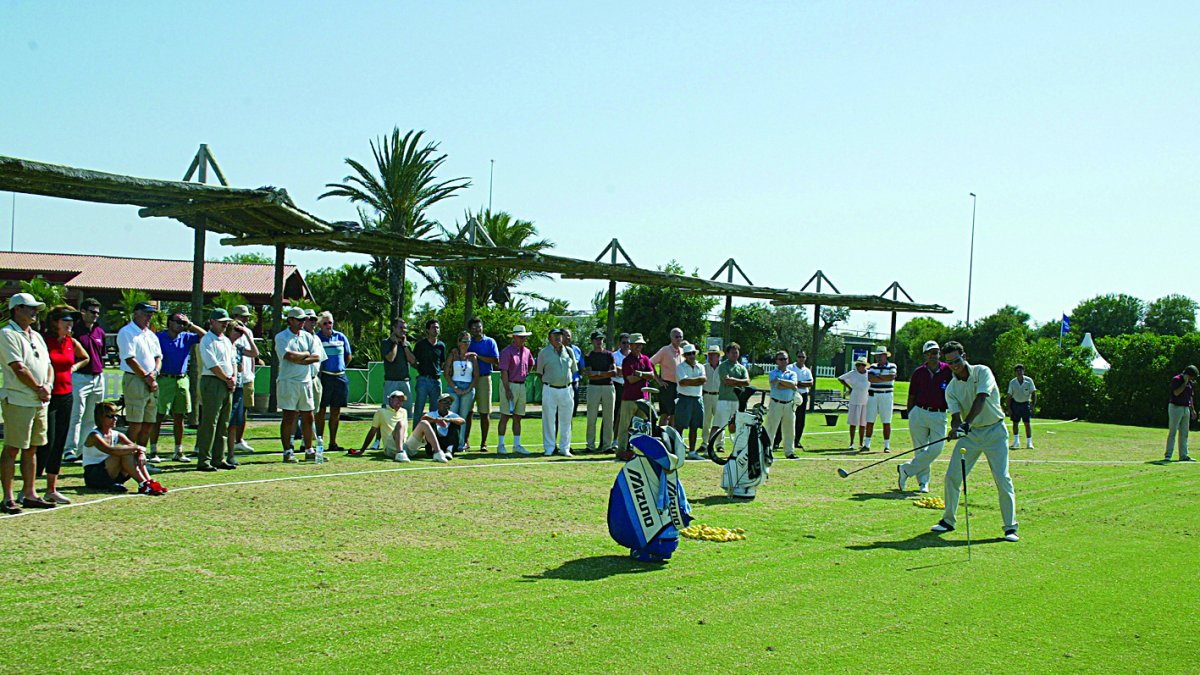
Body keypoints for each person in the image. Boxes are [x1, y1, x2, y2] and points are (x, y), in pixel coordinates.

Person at [930, 341, 1019, 543]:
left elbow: (981, 398)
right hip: (971, 436)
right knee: (952, 476)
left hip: (995, 431)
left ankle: (1010, 527)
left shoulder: (982, 372)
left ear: (965, 356)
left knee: (1002, 478)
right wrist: (956, 428)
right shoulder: (951, 388)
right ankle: (948, 520)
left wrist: (966, 424)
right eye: (950, 362)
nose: (954, 365)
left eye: (957, 360)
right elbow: (954, 415)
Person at [1, 293, 56, 513]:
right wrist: (38, 388)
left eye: (35, 308)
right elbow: (18, 367)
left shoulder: (36, 336)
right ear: (17, 309)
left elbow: (48, 365)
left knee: (32, 448)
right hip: (18, 398)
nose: (34, 312)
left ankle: (30, 493)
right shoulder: (7, 334)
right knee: (13, 447)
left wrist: (47, 386)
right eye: (29, 308)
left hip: (39, 400)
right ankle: (7, 497)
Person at [37, 305, 90, 504]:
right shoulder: (44, 341)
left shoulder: (71, 341)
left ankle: (51, 489)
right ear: (55, 322)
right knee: (45, 442)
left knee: (59, 441)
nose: (70, 324)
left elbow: (85, 358)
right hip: (47, 397)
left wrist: (73, 368)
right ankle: (31, 487)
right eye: (65, 321)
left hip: (66, 395)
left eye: (71, 321)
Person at [149, 312, 205, 463]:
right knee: (158, 416)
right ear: (169, 322)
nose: (181, 325)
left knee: (179, 417)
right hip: (164, 379)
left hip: (181, 379)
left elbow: (206, 336)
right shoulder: (159, 337)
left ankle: (178, 451)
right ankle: (153, 451)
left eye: (183, 323)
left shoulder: (186, 337)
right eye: (178, 322)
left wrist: (190, 325)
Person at [898, 340, 953, 493]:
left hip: (939, 414)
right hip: (919, 412)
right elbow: (911, 396)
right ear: (925, 355)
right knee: (920, 449)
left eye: (935, 352)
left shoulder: (948, 371)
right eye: (930, 352)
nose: (933, 355)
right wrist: (911, 414)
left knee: (936, 449)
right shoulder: (918, 372)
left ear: (939, 354)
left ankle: (906, 470)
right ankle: (923, 483)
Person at [83, 401, 166, 495]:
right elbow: (111, 450)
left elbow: (135, 448)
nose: (115, 419)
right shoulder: (94, 436)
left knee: (131, 451)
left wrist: (141, 453)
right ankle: (143, 484)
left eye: (116, 416)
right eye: (110, 416)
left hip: (112, 473)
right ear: (101, 418)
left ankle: (149, 482)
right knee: (126, 451)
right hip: (94, 476)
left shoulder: (117, 434)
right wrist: (138, 447)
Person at [275, 307, 322, 463]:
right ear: (290, 320)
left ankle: (309, 450)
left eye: (304, 320)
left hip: (306, 382)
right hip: (288, 382)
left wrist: (301, 358)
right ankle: (288, 451)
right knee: (289, 417)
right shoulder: (281, 337)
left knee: (308, 416)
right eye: (299, 320)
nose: (303, 322)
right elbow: (288, 356)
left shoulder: (308, 337)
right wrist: (305, 355)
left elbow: (316, 357)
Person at [195, 309, 238, 472]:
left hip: (227, 382)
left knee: (224, 423)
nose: (224, 324)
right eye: (221, 321)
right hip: (213, 381)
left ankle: (219, 457)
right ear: (212, 321)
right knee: (210, 422)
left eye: (226, 321)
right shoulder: (207, 340)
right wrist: (227, 379)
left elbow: (233, 361)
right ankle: (204, 460)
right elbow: (212, 364)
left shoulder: (226, 341)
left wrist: (233, 377)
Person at [64, 297, 105, 463]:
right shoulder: (74, 331)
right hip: (79, 377)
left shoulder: (99, 331)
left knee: (91, 417)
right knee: (76, 415)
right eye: (92, 312)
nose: (95, 315)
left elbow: (101, 356)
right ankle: (69, 450)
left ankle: (83, 449)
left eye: (97, 313)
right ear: (83, 312)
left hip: (97, 377)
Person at [117, 301, 163, 448]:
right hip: (135, 379)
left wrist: (154, 373)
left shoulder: (151, 335)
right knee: (135, 423)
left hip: (152, 380)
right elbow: (130, 359)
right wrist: (146, 377)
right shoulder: (127, 332)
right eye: (145, 313)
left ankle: (141, 457)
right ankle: (128, 458)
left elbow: (158, 357)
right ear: (135, 313)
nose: (149, 317)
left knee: (148, 423)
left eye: (150, 314)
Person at [315, 311, 352, 452]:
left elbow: (348, 356)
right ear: (320, 325)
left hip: (340, 377)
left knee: (336, 411)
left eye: (330, 322)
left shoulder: (341, 337)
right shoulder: (316, 338)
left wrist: (340, 368)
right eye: (325, 323)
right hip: (325, 377)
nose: (328, 325)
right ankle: (319, 441)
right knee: (321, 410)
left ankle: (333, 442)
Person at [537, 328, 578, 457]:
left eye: (559, 336)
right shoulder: (544, 353)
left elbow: (574, 370)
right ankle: (549, 447)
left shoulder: (569, 351)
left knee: (566, 420)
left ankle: (565, 448)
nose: (558, 338)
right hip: (550, 389)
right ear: (549, 338)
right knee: (549, 420)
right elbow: (539, 373)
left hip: (567, 389)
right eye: (555, 336)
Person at [225, 318, 259, 466]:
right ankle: (216, 453)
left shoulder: (238, 347)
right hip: (225, 386)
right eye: (236, 330)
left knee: (234, 422)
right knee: (222, 421)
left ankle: (231, 455)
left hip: (238, 386)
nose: (239, 333)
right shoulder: (223, 344)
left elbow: (254, 353)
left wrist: (247, 335)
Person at [497, 325, 534, 456]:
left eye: (524, 336)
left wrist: (525, 375)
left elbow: (531, 364)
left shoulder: (527, 351)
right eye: (520, 336)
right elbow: (504, 372)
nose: (522, 339)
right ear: (514, 337)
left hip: (521, 385)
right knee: (505, 416)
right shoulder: (506, 352)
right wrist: (507, 389)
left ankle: (516, 445)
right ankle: (501, 444)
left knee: (518, 416)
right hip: (509, 384)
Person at [708, 342, 750, 452]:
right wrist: (740, 382)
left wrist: (734, 381)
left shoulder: (741, 368)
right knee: (718, 425)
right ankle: (713, 446)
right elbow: (726, 380)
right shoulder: (723, 366)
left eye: (736, 352)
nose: (735, 355)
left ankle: (739, 447)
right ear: (727, 354)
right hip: (724, 400)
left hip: (738, 401)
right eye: (732, 352)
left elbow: (747, 382)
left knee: (738, 426)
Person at [618, 333, 656, 455]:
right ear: (631, 345)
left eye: (641, 344)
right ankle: (622, 450)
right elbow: (630, 379)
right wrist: (644, 375)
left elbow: (652, 375)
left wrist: (639, 373)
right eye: (637, 344)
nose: (639, 346)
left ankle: (640, 450)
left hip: (643, 399)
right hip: (629, 398)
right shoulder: (626, 361)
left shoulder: (645, 359)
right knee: (624, 426)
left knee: (642, 427)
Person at [466, 317, 499, 452]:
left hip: (484, 379)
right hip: (469, 379)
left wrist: (478, 357)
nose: (477, 330)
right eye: (474, 328)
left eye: (479, 327)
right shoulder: (468, 342)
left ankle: (483, 443)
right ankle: (465, 441)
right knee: (468, 412)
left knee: (484, 413)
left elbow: (496, 360)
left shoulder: (490, 342)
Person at [583, 331, 617, 453]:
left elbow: (613, 373)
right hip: (593, 388)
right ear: (592, 341)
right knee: (591, 417)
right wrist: (603, 374)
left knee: (609, 418)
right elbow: (590, 376)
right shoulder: (588, 356)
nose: (599, 341)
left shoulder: (609, 355)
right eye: (597, 339)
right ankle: (590, 445)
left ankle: (607, 446)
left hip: (608, 387)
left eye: (601, 339)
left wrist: (597, 373)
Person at [445, 331, 479, 449]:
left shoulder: (472, 357)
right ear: (459, 342)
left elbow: (476, 375)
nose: (466, 344)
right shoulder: (453, 355)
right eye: (464, 341)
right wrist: (455, 387)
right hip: (454, 387)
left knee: (463, 417)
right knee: (452, 415)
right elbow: (446, 373)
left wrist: (468, 389)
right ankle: (450, 442)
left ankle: (460, 443)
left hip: (468, 388)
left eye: (468, 341)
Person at [765, 350, 800, 460]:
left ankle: (789, 452)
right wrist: (788, 384)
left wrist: (780, 381)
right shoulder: (772, 373)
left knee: (789, 429)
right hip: (776, 404)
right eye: (781, 359)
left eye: (785, 359)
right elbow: (777, 386)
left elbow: (794, 385)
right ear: (776, 361)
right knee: (770, 429)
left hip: (789, 404)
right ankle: (767, 451)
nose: (784, 361)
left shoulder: (792, 373)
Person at [356, 390, 411, 461]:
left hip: (405, 446)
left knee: (424, 423)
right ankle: (400, 453)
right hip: (390, 448)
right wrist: (362, 450)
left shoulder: (404, 411)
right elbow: (373, 431)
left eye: (401, 401)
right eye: (397, 400)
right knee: (400, 423)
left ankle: (429, 452)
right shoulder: (381, 412)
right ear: (391, 400)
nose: (399, 403)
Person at [674, 342, 707, 460]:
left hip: (697, 399)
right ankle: (676, 451)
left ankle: (692, 452)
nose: (691, 356)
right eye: (688, 354)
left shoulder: (701, 366)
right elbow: (683, 382)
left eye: (693, 353)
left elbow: (703, 380)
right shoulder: (680, 367)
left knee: (695, 426)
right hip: (684, 399)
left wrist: (690, 381)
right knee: (680, 426)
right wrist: (697, 381)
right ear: (685, 356)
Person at [863, 347, 897, 452]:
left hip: (886, 395)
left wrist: (877, 377)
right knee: (870, 420)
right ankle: (867, 444)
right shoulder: (873, 366)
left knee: (886, 420)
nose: (878, 357)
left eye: (880, 355)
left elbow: (891, 377)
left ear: (885, 356)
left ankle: (887, 446)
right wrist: (883, 377)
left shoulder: (892, 366)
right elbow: (870, 378)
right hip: (873, 395)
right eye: (877, 356)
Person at [649, 327, 685, 428]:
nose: (678, 339)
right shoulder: (665, 350)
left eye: (680, 337)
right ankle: (661, 437)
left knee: (675, 414)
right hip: (667, 386)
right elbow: (650, 363)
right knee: (665, 414)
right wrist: (658, 380)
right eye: (676, 337)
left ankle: (671, 438)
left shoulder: (683, 352)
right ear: (671, 338)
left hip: (679, 387)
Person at [412, 319, 445, 422]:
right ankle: (416, 436)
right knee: (419, 409)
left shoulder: (441, 345)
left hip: (436, 381)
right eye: (433, 327)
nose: (436, 330)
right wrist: (421, 370)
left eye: (437, 327)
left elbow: (442, 363)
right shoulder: (420, 345)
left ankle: (431, 435)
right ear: (428, 330)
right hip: (423, 380)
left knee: (435, 411)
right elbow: (414, 361)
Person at [381, 318, 415, 415]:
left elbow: (412, 361)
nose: (403, 330)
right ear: (394, 328)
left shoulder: (407, 344)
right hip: (391, 382)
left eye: (405, 328)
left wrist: (404, 345)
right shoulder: (386, 343)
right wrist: (395, 343)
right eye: (400, 328)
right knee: (387, 411)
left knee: (407, 411)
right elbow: (390, 358)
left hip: (405, 381)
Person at [1165, 365, 1198, 462]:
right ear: (1188, 375)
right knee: (1173, 432)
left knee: (1184, 433)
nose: (1192, 379)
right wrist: (1185, 382)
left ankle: (1184, 455)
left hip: (1185, 408)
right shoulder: (1177, 379)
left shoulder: (1190, 383)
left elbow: (1190, 397)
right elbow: (1176, 393)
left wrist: (1192, 410)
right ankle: (1168, 455)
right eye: (1192, 376)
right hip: (1175, 407)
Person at [838, 357, 871, 451]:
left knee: (863, 424)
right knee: (853, 423)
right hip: (854, 400)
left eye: (862, 365)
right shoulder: (852, 373)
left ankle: (861, 443)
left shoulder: (869, 374)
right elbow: (840, 378)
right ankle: (851, 443)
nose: (859, 366)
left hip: (865, 401)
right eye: (858, 365)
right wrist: (849, 387)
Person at [422, 393, 466, 460]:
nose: (447, 404)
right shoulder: (432, 414)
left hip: (448, 441)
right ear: (439, 403)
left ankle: (449, 451)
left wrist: (447, 419)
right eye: (445, 402)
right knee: (429, 423)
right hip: (435, 441)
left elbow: (462, 421)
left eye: (449, 402)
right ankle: (435, 450)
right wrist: (436, 420)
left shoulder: (452, 415)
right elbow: (423, 419)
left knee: (455, 424)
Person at [1007, 364, 1038, 449]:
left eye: (1020, 370)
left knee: (1027, 423)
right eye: (1017, 371)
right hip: (1015, 404)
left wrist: (1032, 405)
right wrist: (1009, 408)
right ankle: (1016, 442)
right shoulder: (1012, 382)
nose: (1019, 372)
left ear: (1023, 371)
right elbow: (1009, 396)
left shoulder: (1029, 381)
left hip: (1025, 404)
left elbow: (1034, 393)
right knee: (1015, 423)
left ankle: (1029, 443)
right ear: (1015, 372)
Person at [788, 352, 814, 450]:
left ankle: (797, 441)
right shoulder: (790, 367)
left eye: (803, 357)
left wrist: (799, 383)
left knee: (800, 419)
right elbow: (790, 382)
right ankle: (778, 441)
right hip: (792, 394)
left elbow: (810, 383)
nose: (801, 359)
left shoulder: (807, 370)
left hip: (803, 395)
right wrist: (798, 384)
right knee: (787, 418)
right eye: (799, 357)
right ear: (796, 357)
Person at [611, 333, 631, 440]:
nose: (626, 345)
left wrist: (623, 371)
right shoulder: (614, 356)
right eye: (624, 343)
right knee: (615, 414)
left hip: (630, 387)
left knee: (628, 416)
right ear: (619, 343)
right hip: (617, 386)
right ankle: (612, 439)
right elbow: (616, 371)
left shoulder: (634, 355)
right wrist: (630, 372)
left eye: (628, 342)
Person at [702, 345, 722, 442]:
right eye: (709, 355)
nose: (710, 357)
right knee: (706, 421)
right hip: (706, 395)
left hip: (719, 396)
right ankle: (705, 442)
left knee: (719, 420)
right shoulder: (703, 367)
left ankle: (719, 444)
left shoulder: (723, 368)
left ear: (718, 356)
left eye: (713, 355)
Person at [563, 328, 584, 419]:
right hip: (561, 382)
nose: (567, 337)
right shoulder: (554, 350)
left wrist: (581, 376)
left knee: (574, 402)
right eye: (565, 335)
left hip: (574, 381)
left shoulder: (576, 350)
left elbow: (581, 366)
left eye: (569, 335)